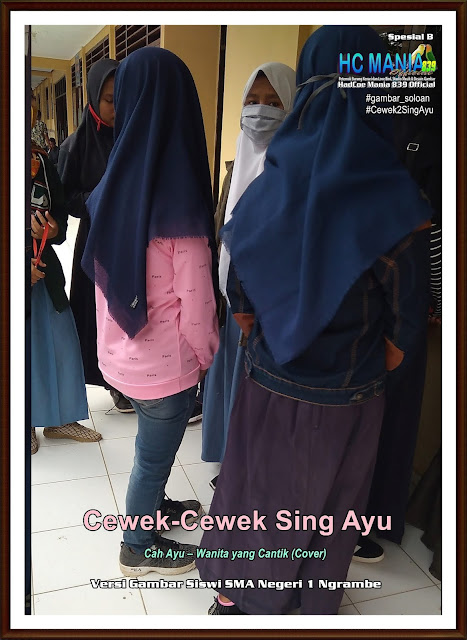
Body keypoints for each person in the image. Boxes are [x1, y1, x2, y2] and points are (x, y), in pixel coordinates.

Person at [196, 26, 433, 615]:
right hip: (348, 389)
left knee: (254, 485)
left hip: (266, 374)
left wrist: (267, 338)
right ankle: (307, 602)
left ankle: (235, 591)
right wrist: (367, 367)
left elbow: (240, 282)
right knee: (330, 499)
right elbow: (406, 318)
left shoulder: (273, 179)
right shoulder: (397, 200)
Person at [81, 47, 219, 576]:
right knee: (152, 458)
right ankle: (137, 545)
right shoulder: (182, 205)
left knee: (148, 447)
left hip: (121, 361)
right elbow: (199, 308)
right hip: (166, 373)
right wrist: (206, 359)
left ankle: (154, 507)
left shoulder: (110, 189)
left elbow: (100, 281)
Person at [201, 62, 296, 488]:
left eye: (274, 103)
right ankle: (231, 460)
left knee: (257, 392)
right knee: (232, 383)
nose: (261, 111)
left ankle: (249, 469)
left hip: (268, 310)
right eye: (253, 101)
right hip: (231, 303)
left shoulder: (293, 167)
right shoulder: (236, 163)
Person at [58, 59, 134, 413]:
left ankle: (133, 378)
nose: (116, 107)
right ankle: (109, 380)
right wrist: (95, 199)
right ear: (93, 97)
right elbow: (66, 198)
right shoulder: (76, 145)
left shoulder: (134, 136)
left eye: (122, 98)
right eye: (108, 99)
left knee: (129, 309)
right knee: (97, 312)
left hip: (131, 238)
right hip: (95, 240)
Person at [29, 97, 101, 454]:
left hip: (45, 274)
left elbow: (58, 214)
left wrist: (55, 229)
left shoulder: (40, 162)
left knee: (60, 342)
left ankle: (61, 419)